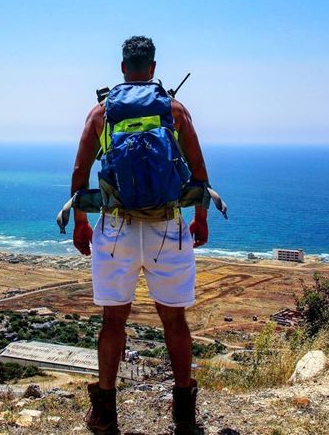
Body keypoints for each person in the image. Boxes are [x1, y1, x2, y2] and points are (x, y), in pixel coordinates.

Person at [70, 36, 210, 435]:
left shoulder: (102, 113)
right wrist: (200, 217)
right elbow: (198, 170)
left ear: (122, 68)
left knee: (113, 321)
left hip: (117, 229)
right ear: (152, 68)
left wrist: (81, 222)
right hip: (168, 226)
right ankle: (184, 414)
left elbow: (80, 174)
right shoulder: (174, 109)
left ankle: (105, 415)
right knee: (174, 320)